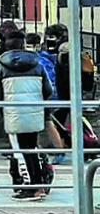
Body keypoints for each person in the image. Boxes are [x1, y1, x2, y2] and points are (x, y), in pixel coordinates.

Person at [0, 31, 54, 200]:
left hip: (12, 113)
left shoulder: (0, 68)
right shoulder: (37, 65)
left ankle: (31, 187)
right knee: (31, 148)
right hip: (34, 112)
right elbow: (48, 90)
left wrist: (0, 110)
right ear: (23, 45)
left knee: (20, 151)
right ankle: (38, 185)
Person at [26, 31, 67, 164]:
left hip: (40, 96)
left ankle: (54, 151)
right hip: (41, 95)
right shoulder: (42, 58)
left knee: (45, 123)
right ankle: (52, 150)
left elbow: (48, 81)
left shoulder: (39, 60)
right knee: (46, 123)